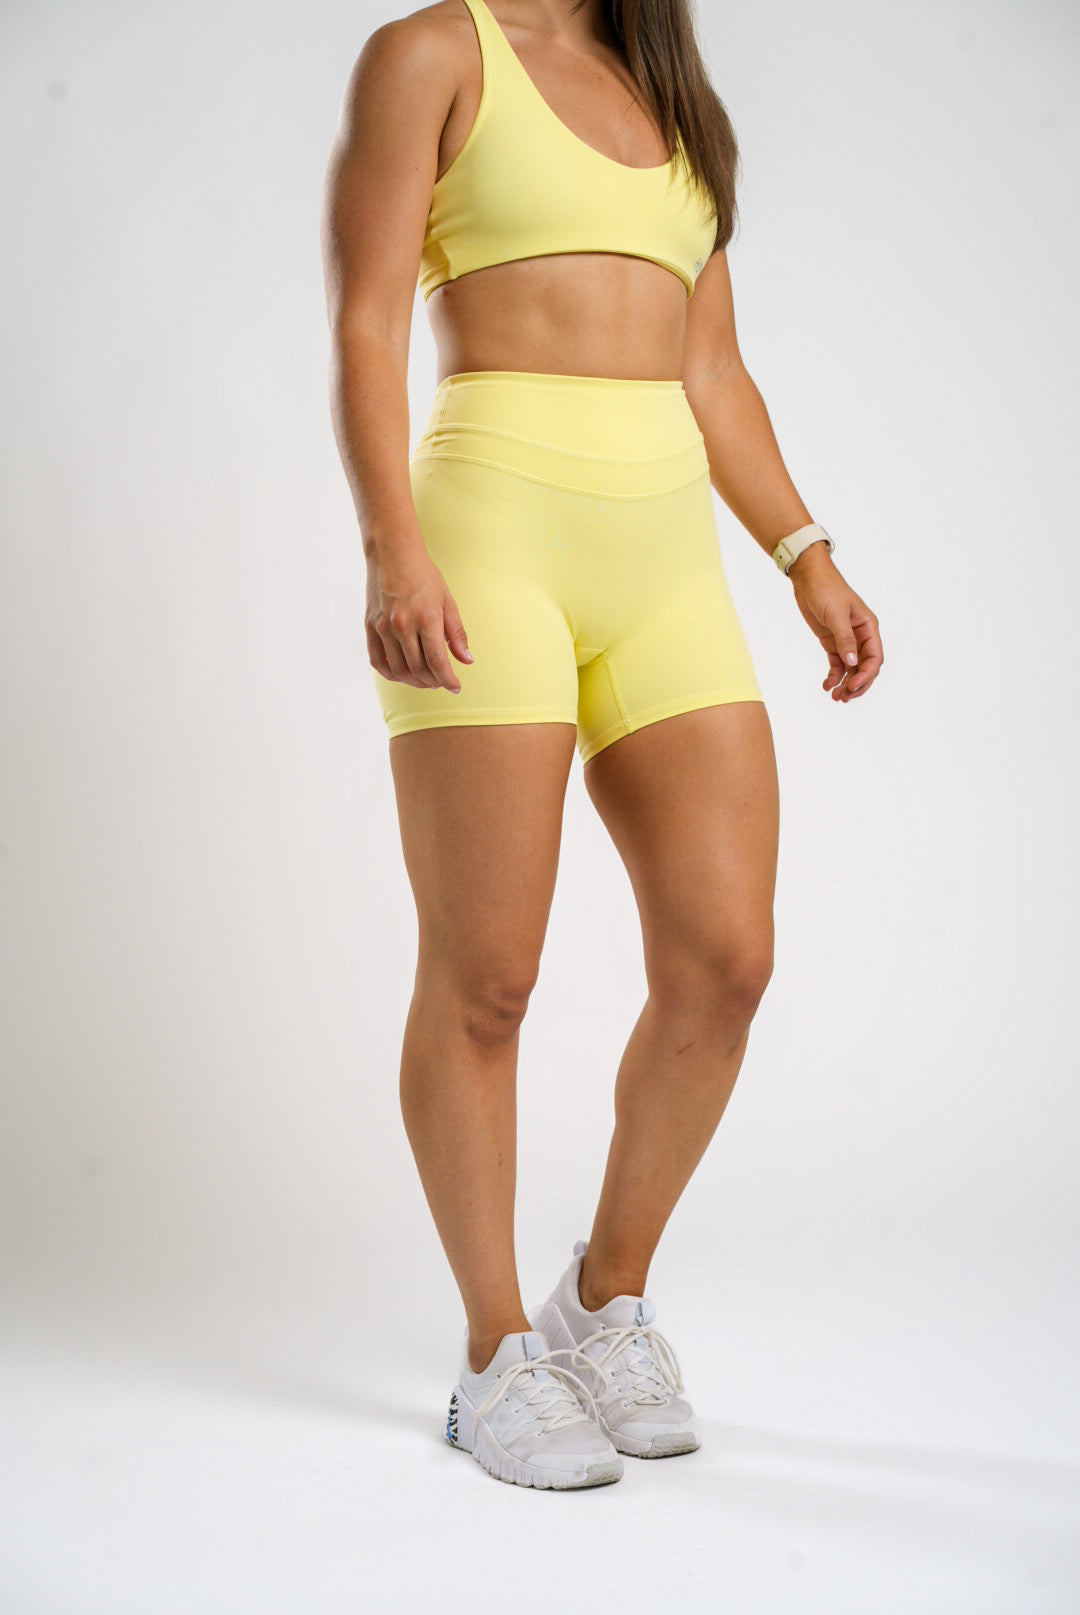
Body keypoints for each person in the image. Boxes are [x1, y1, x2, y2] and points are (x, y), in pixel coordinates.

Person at [320, 0, 884, 1491]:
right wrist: (391, 548)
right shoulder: (434, 55)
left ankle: (604, 1298)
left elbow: (715, 367)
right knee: (489, 976)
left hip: (664, 552)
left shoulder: (667, 88)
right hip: (490, 529)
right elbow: (368, 319)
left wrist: (807, 555)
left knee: (726, 958)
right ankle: (493, 1354)